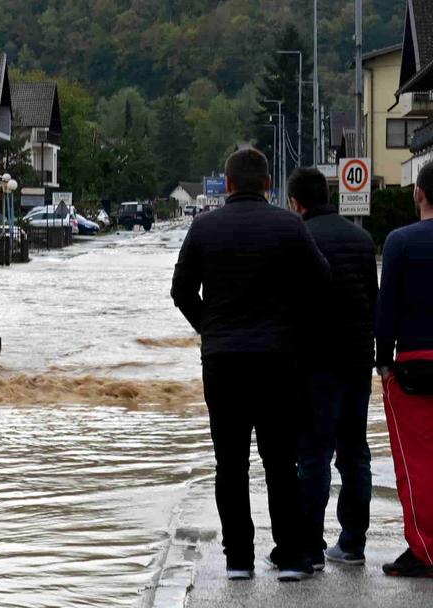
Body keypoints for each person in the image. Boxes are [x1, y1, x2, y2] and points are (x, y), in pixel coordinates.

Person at [171, 147, 329, 582]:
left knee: (231, 463)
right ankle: (293, 557)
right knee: (280, 460)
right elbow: (322, 281)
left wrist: (210, 327)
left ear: (227, 184)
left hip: (222, 362)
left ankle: (238, 558)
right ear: (267, 185)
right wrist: (291, 327)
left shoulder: (204, 227)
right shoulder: (290, 226)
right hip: (278, 361)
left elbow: (180, 289)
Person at [287, 167, 376, 570]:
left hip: (314, 365)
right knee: (355, 454)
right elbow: (372, 303)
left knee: (314, 456)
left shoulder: (299, 239)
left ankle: (311, 547)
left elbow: (289, 308)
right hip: (357, 363)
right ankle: (353, 544)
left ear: (296, 203)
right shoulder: (361, 239)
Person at [377, 161, 433, 577]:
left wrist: (382, 361)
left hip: (414, 364)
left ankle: (424, 551)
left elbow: (387, 308)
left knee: (416, 463)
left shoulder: (400, 241)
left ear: (418, 193)